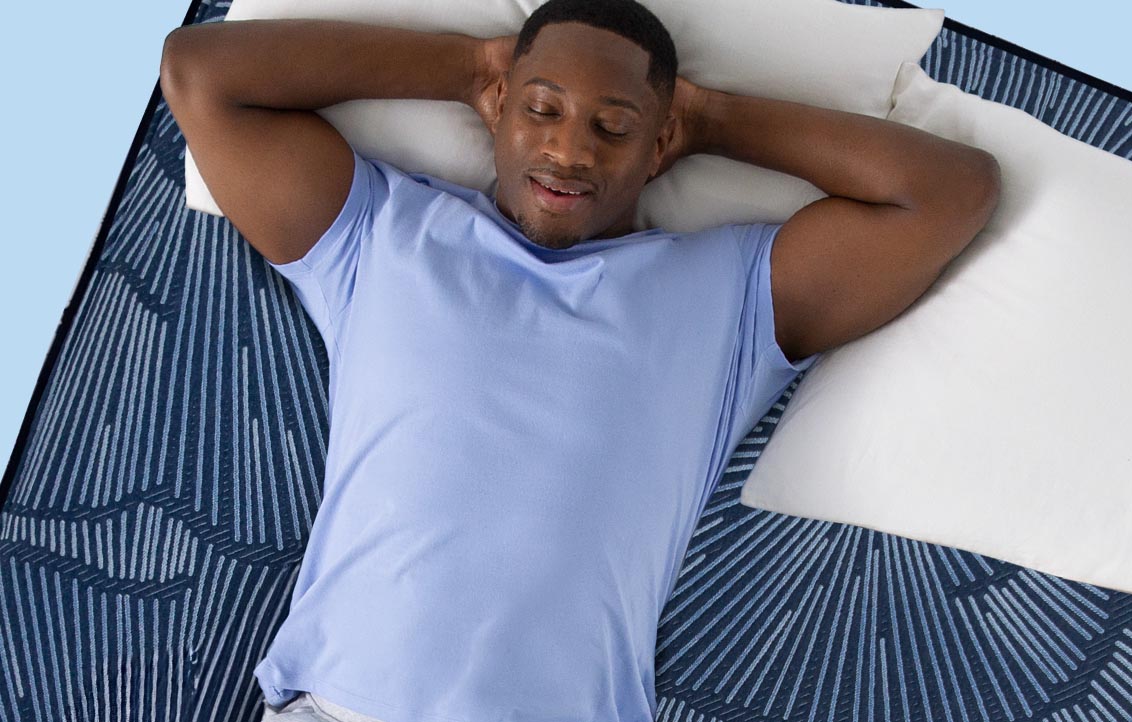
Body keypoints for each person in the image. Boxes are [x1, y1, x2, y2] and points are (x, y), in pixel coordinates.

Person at [159, 0, 1000, 720]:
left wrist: (711, 121)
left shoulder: (731, 296)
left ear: (659, 142)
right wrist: (470, 67)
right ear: (499, 109)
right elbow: (200, 73)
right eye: (542, 110)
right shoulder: (380, 233)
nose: (570, 151)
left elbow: (949, 193)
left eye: (614, 126)